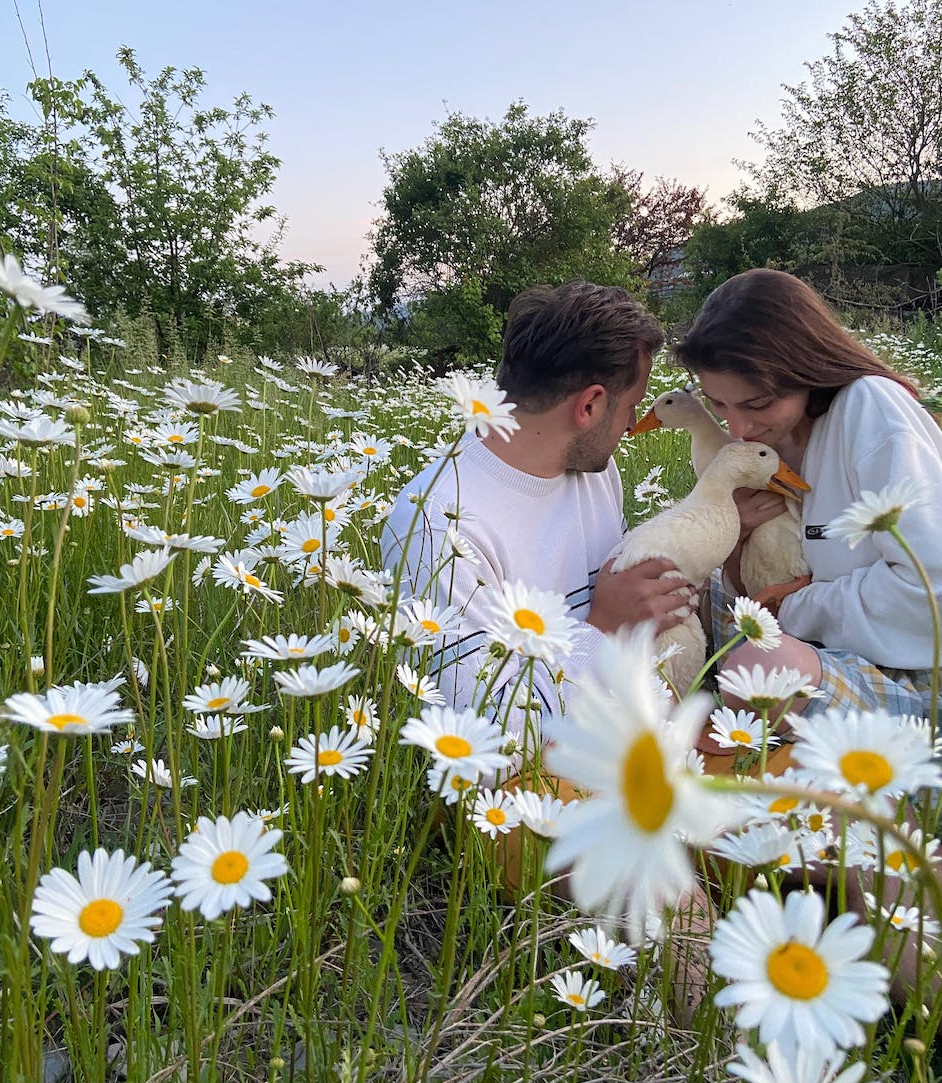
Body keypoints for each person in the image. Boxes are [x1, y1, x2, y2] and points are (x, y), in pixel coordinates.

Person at [381, 280, 695, 759]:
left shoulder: (595, 472)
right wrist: (603, 627)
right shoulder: (435, 525)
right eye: (630, 407)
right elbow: (480, 744)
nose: (633, 425)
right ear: (589, 406)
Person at [675, 268, 942, 723]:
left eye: (757, 404)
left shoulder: (869, 409)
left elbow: (929, 588)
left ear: (805, 368)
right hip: (818, 649)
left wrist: (789, 607)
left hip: (911, 671)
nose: (738, 429)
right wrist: (734, 542)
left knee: (760, 671)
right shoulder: (765, 445)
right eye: (719, 404)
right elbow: (745, 589)